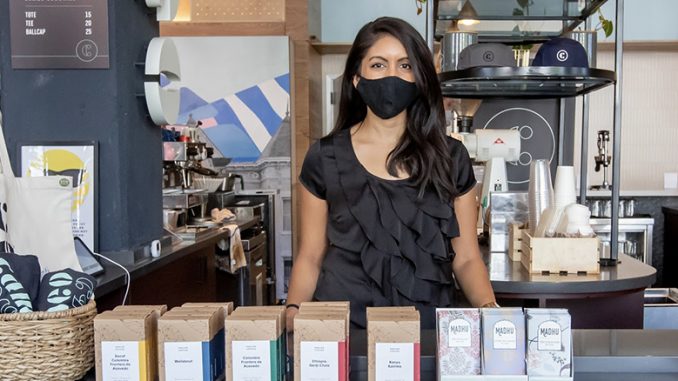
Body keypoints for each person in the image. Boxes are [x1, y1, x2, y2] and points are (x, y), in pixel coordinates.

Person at [286, 17, 497, 330]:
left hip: (427, 330)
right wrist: (292, 311)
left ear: (419, 77)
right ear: (357, 78)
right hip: (343, 330)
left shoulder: (451, 157)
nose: (392, 76)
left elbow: (465, 257)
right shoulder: (324, 157)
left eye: (405, 65)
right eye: (378, 65)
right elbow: (311, 255)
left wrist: (490, 309)